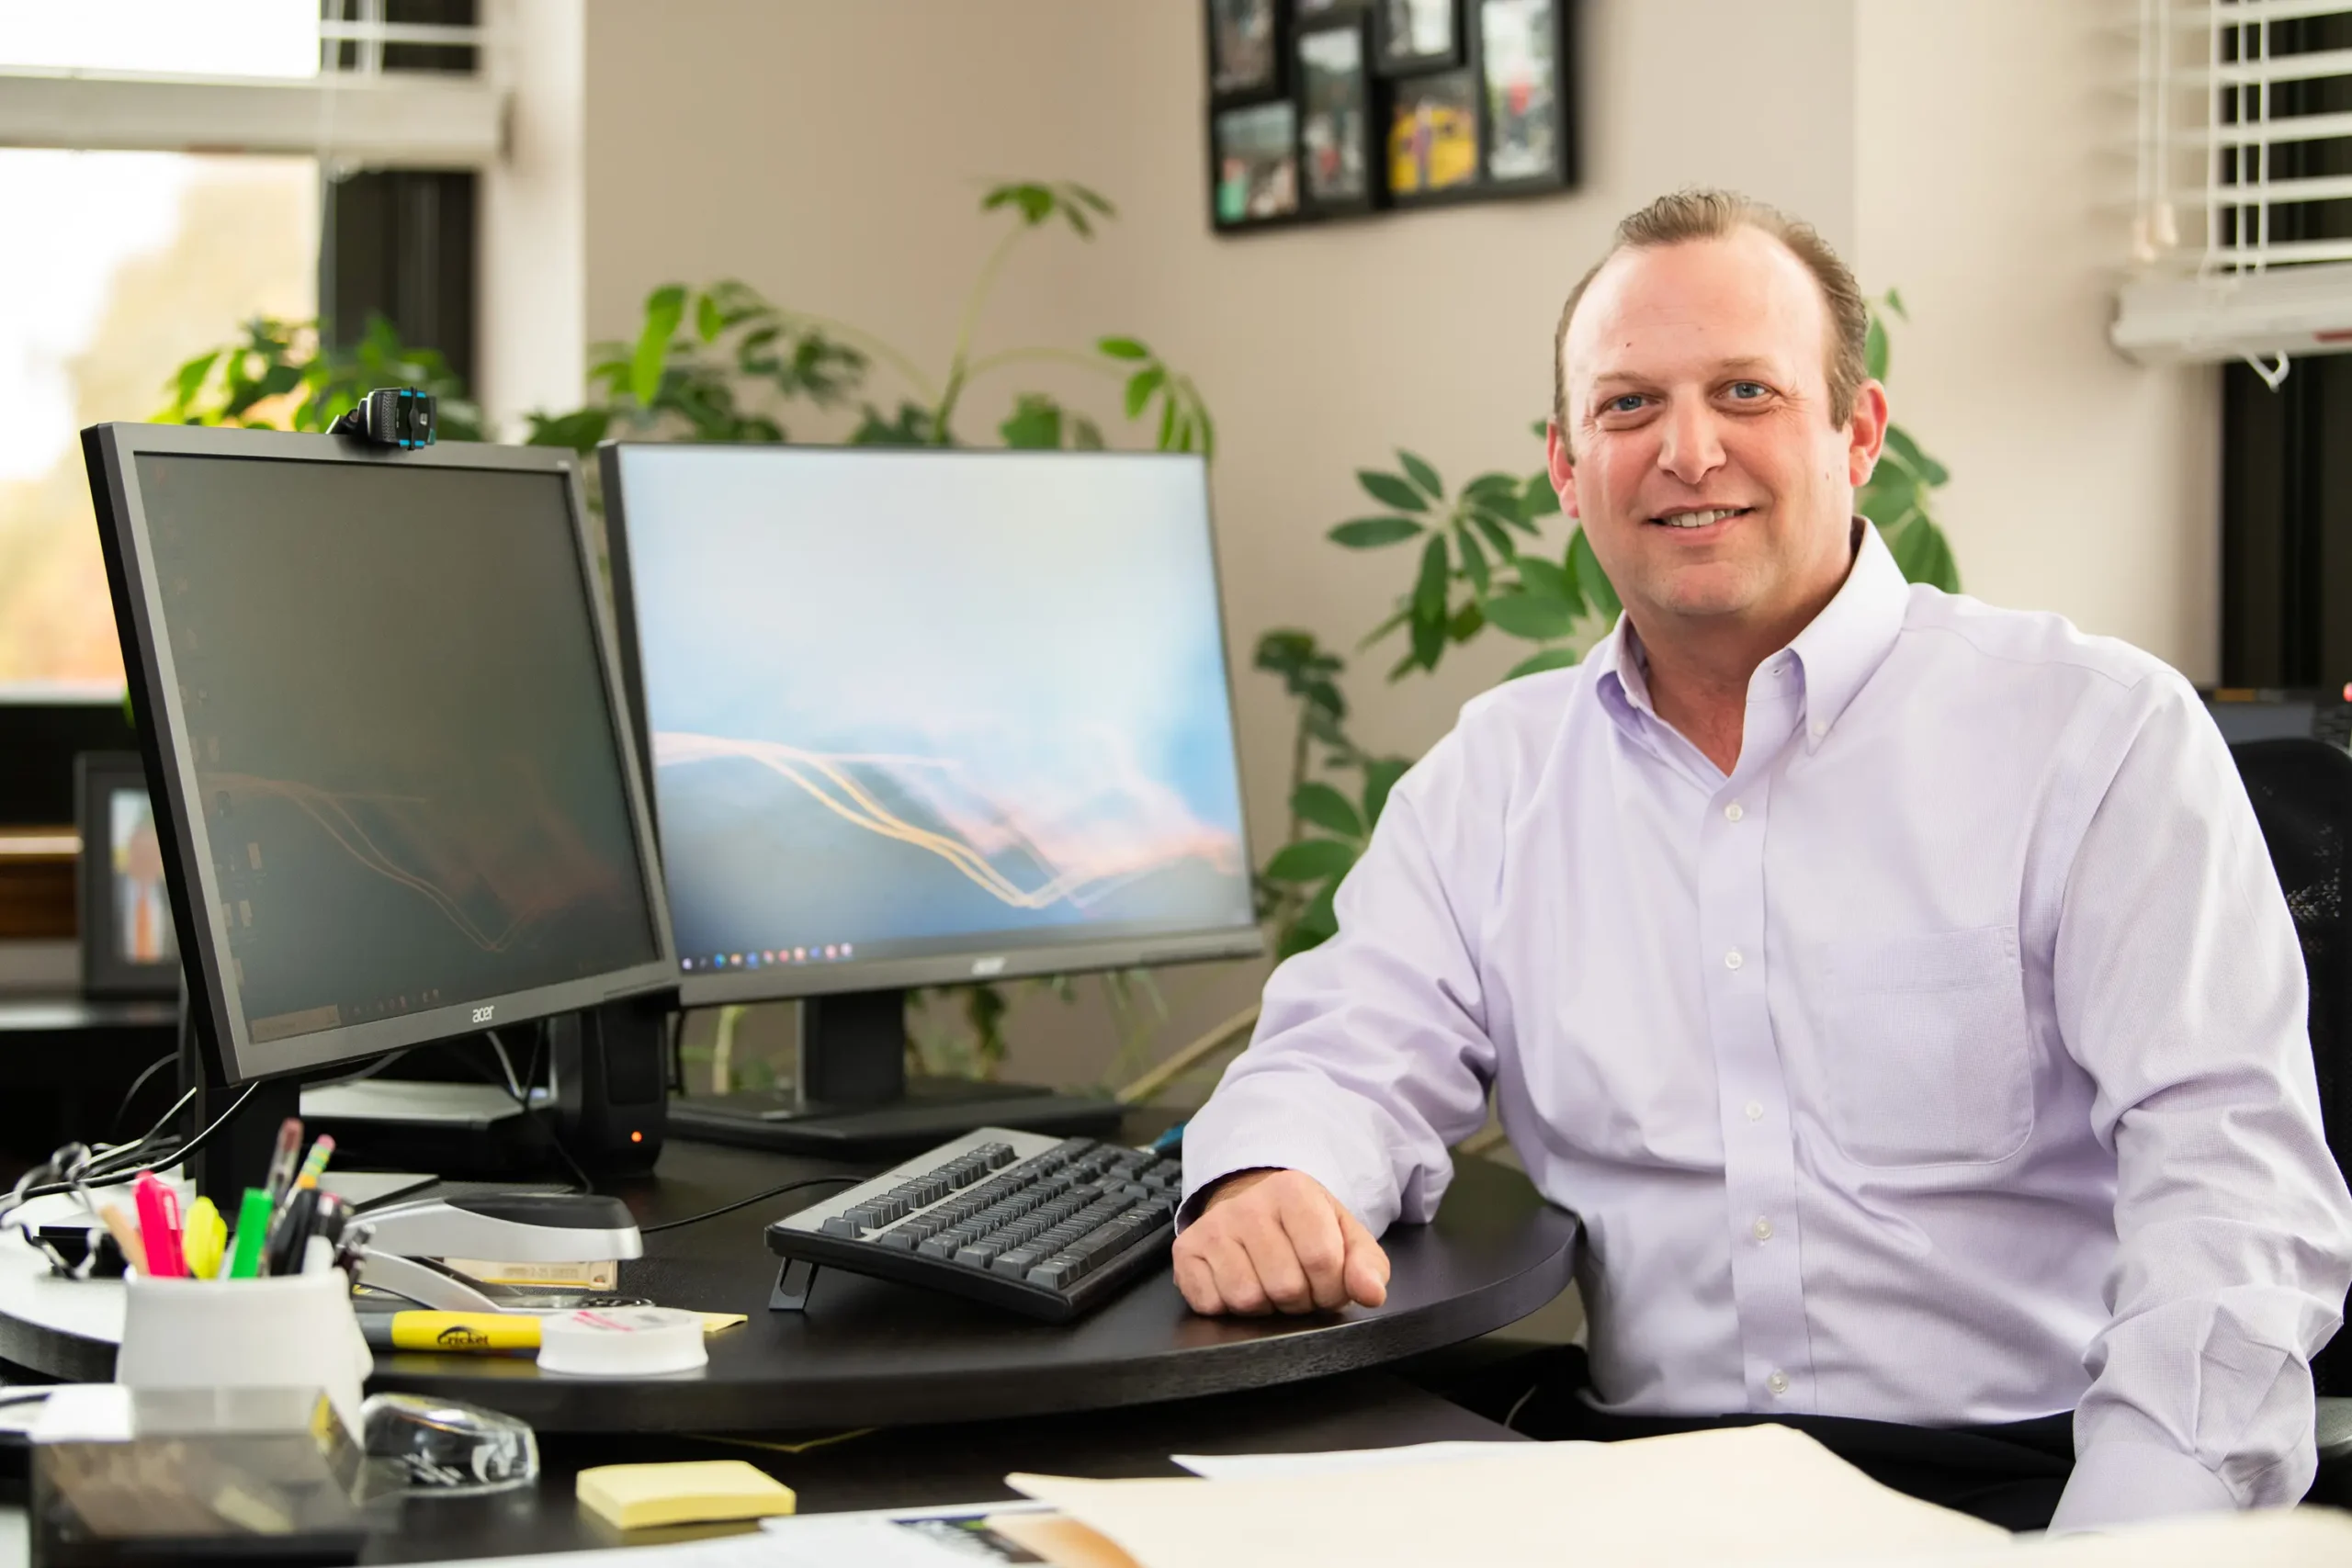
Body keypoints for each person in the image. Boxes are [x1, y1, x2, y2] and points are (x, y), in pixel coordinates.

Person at [1172, 187, 2352, 1533]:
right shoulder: (1492, 777)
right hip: (1633, 1488)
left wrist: (2123, 1550)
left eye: (1746, 391)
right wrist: (1283, 1173)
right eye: (1626, 407)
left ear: (1860, 434)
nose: (1687, 449)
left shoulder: (2094, 732)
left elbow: (2233, 1194)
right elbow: (1341, 1053)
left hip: (2021, 1488)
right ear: (1566, 468)